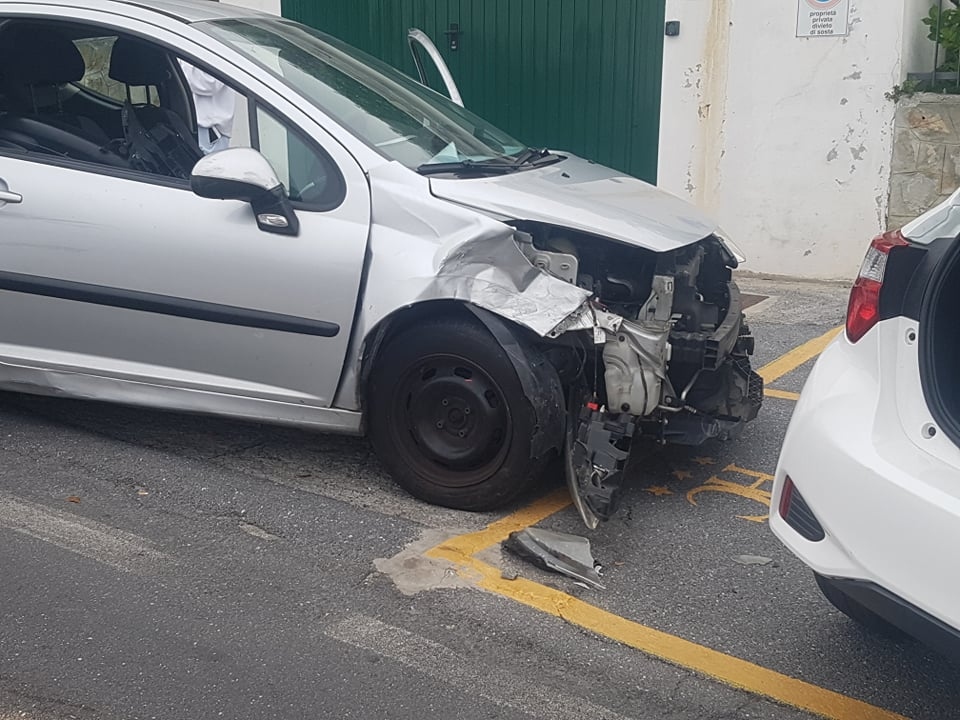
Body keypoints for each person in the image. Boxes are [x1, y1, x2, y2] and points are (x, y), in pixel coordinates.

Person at [178, 60, 235, 154]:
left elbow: (209, 83)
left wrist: (181, 61)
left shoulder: (217, 52)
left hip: (209, 133)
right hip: (185, 126)